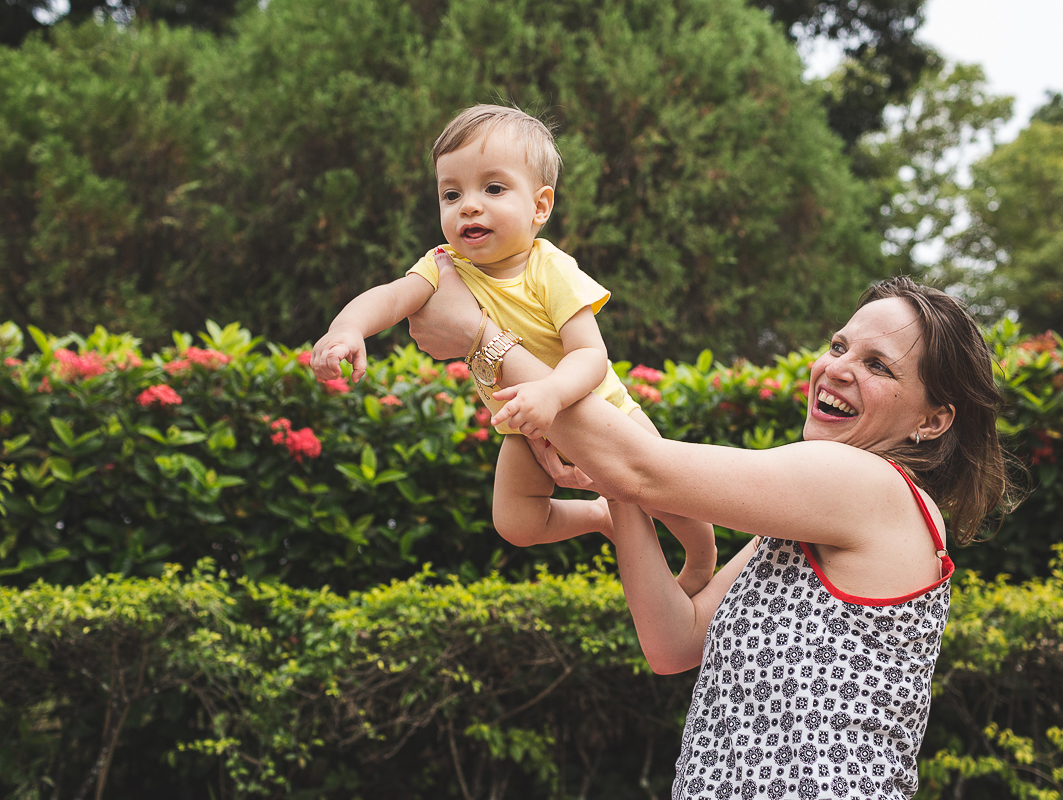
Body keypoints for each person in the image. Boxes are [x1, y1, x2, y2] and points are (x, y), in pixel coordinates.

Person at [407, 254, 1020, 800]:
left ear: (933, 422)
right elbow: (675, 642)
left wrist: (482, 336)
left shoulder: (870, 487)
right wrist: (614, 492)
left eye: (878, 366)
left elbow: (642, 465)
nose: (836, 369)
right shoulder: (803, 522)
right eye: (838, 347)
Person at [310, 104, 717, 595]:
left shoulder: (549, 268)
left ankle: (701, 556)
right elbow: (393, 297)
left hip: (602, 412)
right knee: (516, 523)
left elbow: (591, 356)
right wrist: (347, 330)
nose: (469, 205)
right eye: (451, 193)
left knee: (665, 490)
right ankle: (595, 518)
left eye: (494, 188)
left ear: (540, 206)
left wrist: (550, 395)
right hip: (527, 425)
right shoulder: (445, 267)